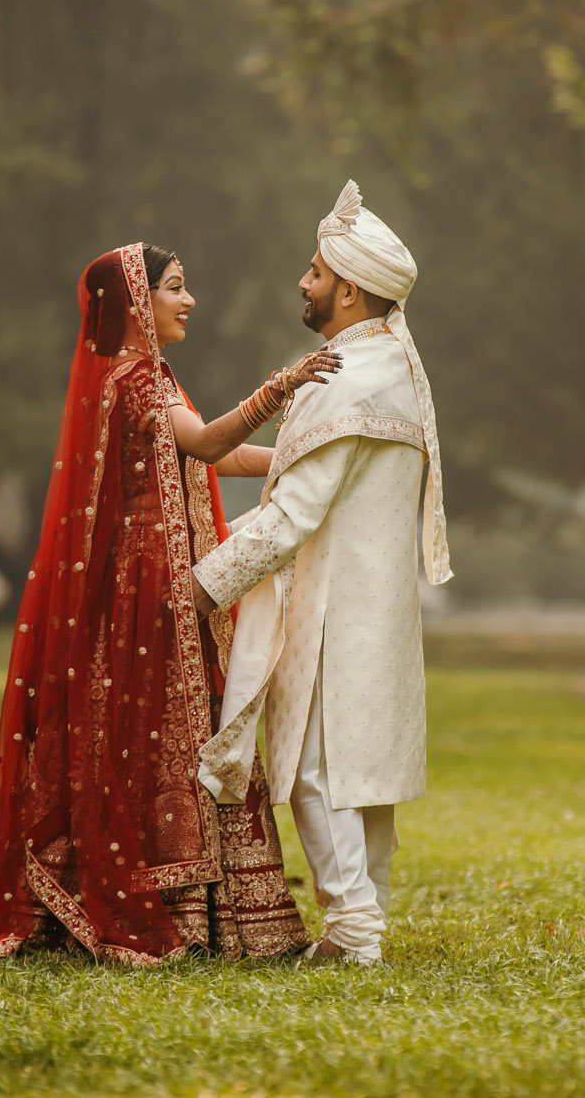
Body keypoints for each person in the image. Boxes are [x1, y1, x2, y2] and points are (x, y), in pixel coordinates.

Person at [0, 243, 338, 966]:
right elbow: (206, 439)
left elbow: (215, 457)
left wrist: (308, 451)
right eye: (174, 286)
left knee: (189, 725)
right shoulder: (136, 381)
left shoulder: (149, 377)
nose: (188, 298)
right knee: (167, 732)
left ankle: (210, 915)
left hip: (169, 579)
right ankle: (175, 911)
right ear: (138, 303)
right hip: (150, 587)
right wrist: (285, 386)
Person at [193, 180, 450, 967]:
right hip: (378, 603)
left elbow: (293, 516)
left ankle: (354, 935)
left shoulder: (348, 376)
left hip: (336, 603)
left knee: (309, 769)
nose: (302, 283)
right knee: (360, 772)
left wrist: (196, 581)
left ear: (348, 287)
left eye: (313, 272)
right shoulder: (394, 369)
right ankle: (355, 926)